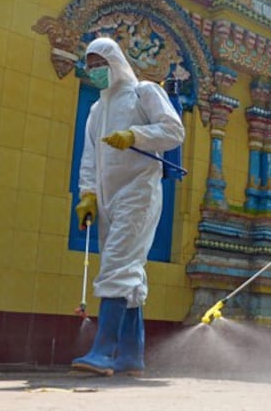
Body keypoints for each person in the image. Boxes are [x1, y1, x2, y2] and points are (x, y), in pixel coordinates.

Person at [72, 37, 185, 376]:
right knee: (127, 271)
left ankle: (103, 351)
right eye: (89, 65)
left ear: (115, 62)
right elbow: (89, 157)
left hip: (139, 192)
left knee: (118, 264)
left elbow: (173, 130)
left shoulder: (144, 92)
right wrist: (87, 195)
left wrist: (134, 135)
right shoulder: (96, 110)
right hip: (107, 198)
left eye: (99, 64)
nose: (94, 71)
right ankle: (131, 357)